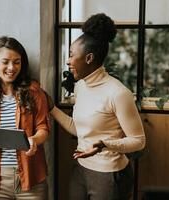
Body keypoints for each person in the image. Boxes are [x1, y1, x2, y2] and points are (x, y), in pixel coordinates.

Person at [47, 13, 146, 200]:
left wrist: (104, 145)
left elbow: (139, 140)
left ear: (89, 58)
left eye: (71, 55)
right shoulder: (81, 86)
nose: (68, 61)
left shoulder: (118, 93)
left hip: (109, 174)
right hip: (81, 168)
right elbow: (79, 129)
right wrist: (51, 108)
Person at [0, 36, 49, 200]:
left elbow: (43, 128)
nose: (11, 68)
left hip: (31, 177)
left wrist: (34, 139)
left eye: (17, 62)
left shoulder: (35, 92)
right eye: (5, 62)